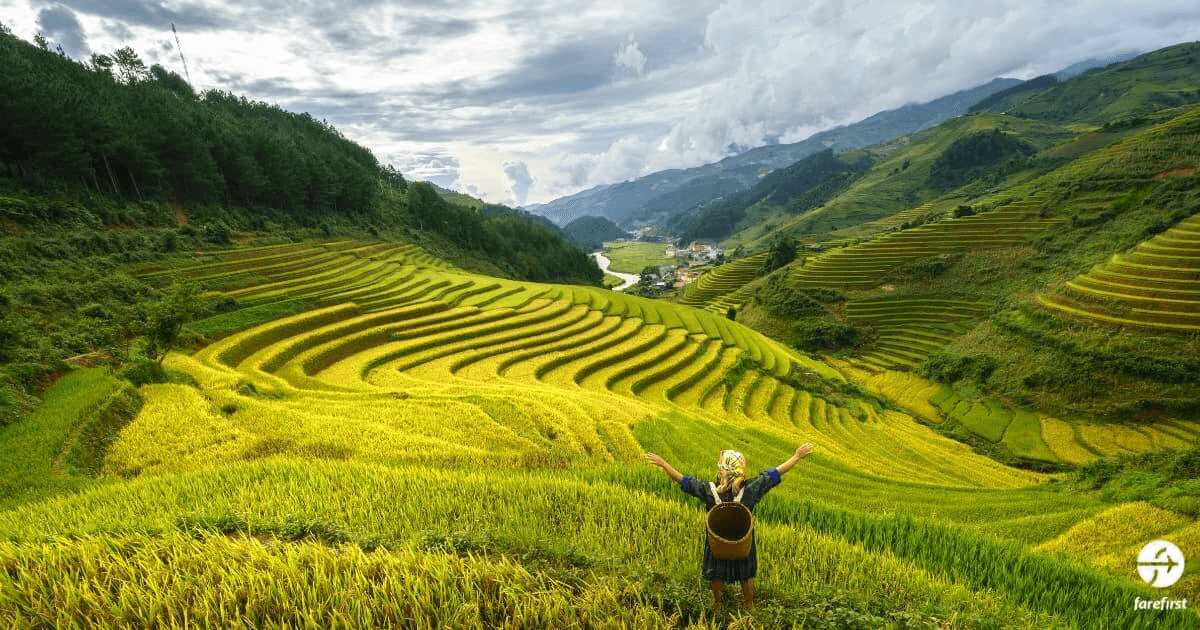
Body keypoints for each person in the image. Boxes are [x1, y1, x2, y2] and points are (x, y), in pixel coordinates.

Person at [645, 443, 814, 608]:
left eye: (721, 468)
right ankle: (749, 605)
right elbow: (775, 474)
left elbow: (683, 481)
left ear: (726, 473)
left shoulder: (710, 491)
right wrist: (796, 457)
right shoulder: (749, 490)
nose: (719, 471)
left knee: (716, 573)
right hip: (742, 542)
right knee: (746, 574)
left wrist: (664, 464)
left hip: (717, 543)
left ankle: (717, 604)